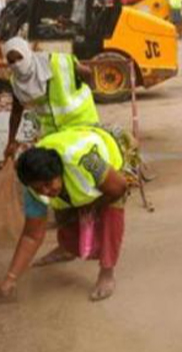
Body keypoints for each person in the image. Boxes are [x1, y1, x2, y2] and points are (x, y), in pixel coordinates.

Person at [0, 126, 131, 302]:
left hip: (111, 164)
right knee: (65, 212)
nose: (46, 191)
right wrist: (10, 279)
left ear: (59, 172)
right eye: (39, 188)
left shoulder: (86, 161)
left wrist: (92, 206)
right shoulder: (32, 188)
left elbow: (120, 187)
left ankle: (107, 273)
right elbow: (31, 235)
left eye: (48, 183)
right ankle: (67, 249)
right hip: (74, 173)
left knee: (111, 212)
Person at [2, 37, 99, 162]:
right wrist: (11, 141)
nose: (17, 64)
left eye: (19, 58)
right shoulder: (17, 82)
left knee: (84, 161)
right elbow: (16, 112)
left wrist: (88, 91)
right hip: (53, 133)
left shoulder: (58, 63)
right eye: (11, 61)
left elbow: (87, 73)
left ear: (26, 53)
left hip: (80, 123)